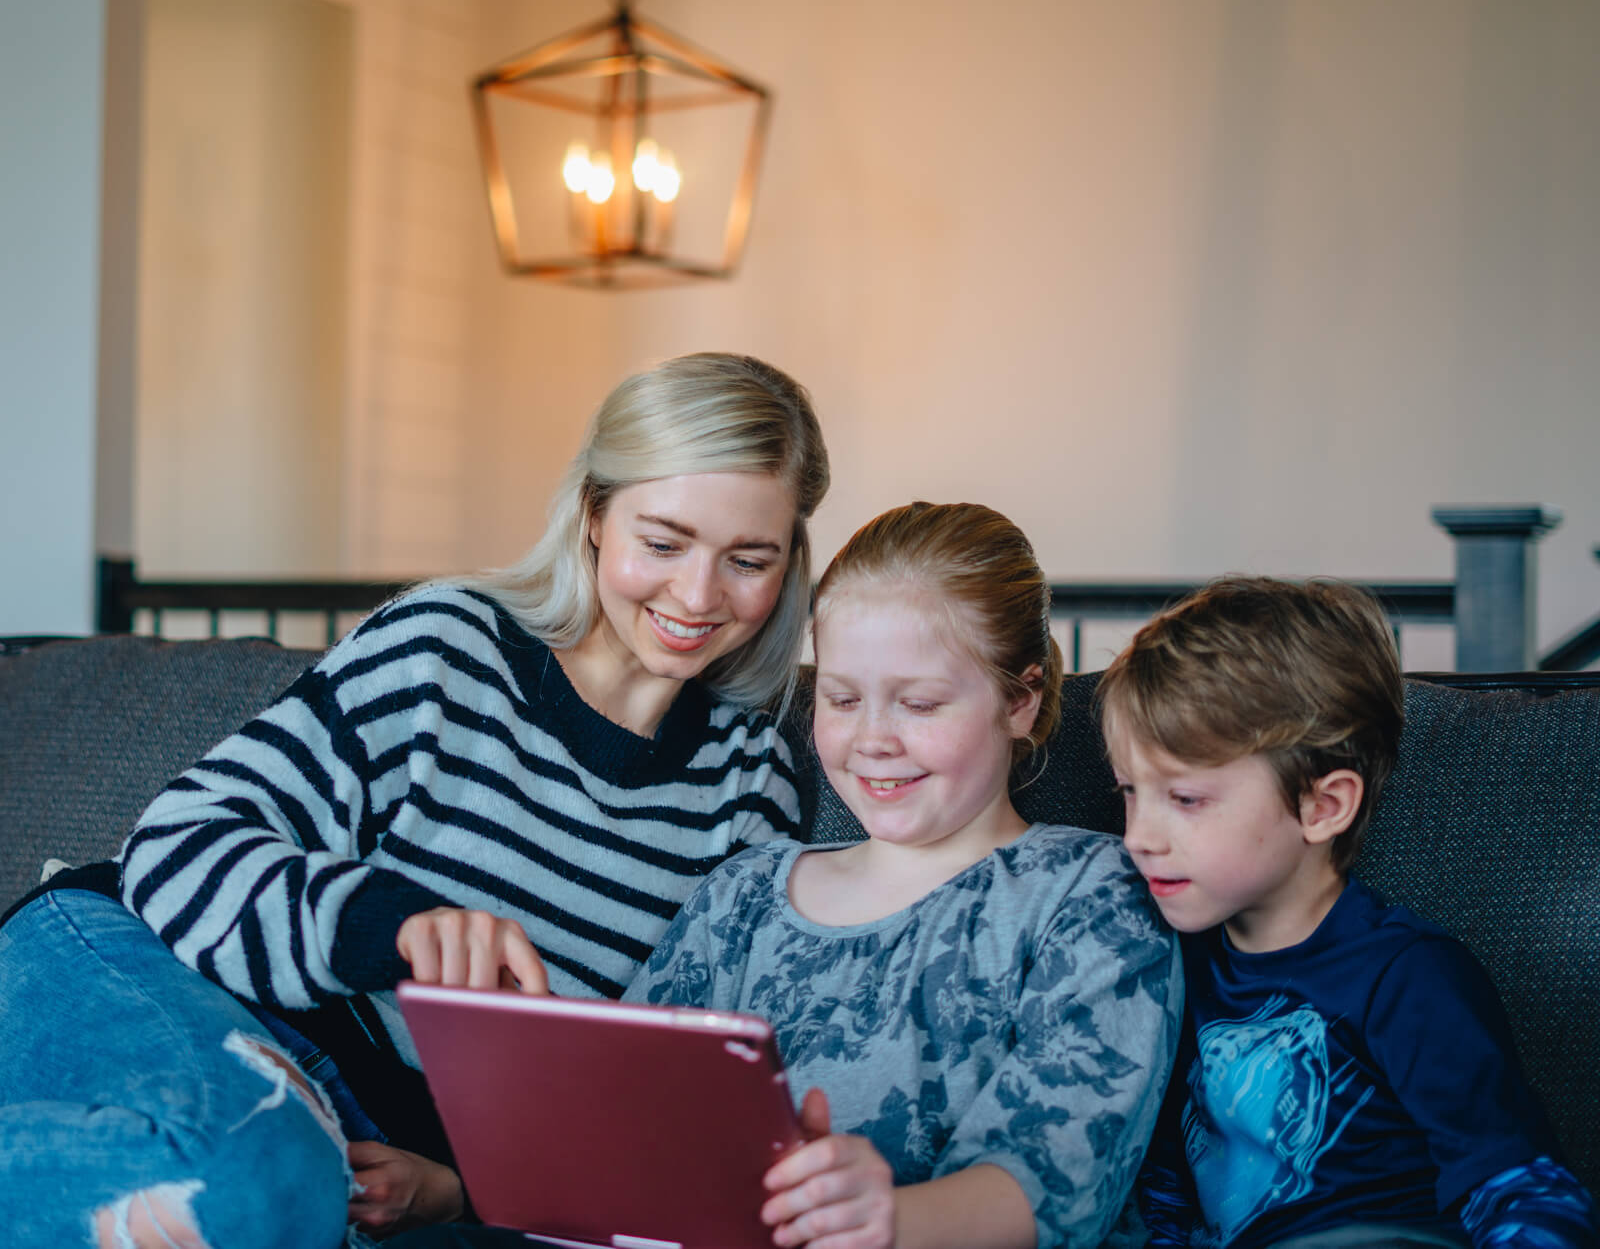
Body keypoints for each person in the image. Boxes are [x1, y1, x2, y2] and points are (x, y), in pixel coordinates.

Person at [0, 352, 830, 1249]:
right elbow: (176, 845)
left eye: (749, 559)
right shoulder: (450, 646)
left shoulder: (751, 787)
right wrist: (394, 925)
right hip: (142, 963)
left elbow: (664, 1093)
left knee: (287, 1192)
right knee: (256, 1180)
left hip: (348, 1122)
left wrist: (462, 1185)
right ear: (594, 515)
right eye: (663, 543)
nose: (698, 596)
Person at [389, 501, 1184, 1249]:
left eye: (919, 703)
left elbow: (1059, 1178)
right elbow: (622, 1128)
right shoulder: (746, 891)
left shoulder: (1085, 892)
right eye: (841, 698)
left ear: (1019, 701)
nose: (872, 739)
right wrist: (460, 1186)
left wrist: (890, 1219)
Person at [1096, 575, 1599, 1249]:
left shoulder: (1410, 978)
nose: (1138, 836)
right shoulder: (1173, 965)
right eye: (1131, 791)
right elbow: (1161, 1188)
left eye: (1185, 799)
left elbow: (1523, 1190)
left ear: (1323, 805)